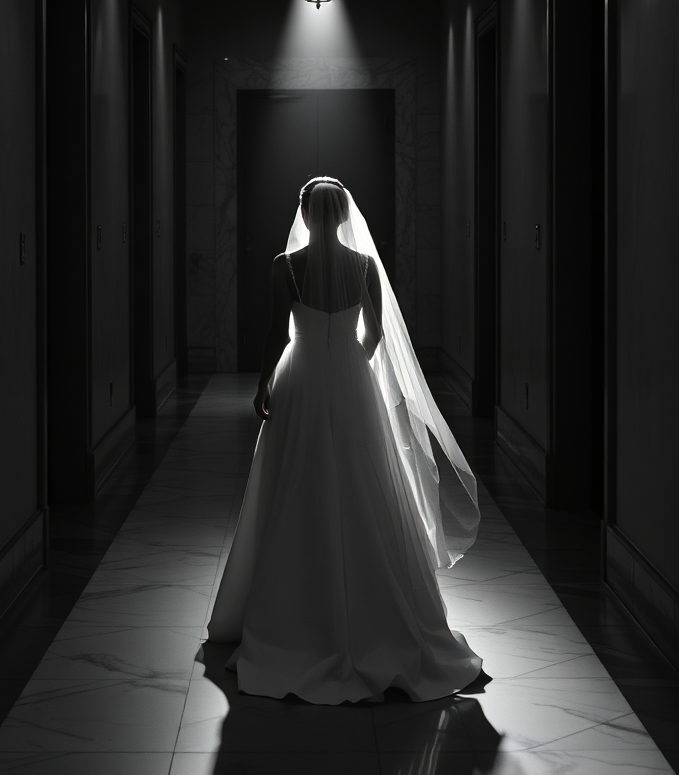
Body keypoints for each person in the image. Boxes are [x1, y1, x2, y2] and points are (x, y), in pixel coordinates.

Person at [207, 176, 483, 704]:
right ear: (341, 216)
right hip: (351, 377)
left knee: (295, 485)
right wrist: (352, 364)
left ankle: (293, 610)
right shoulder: (364, 267)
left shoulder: (285, 266)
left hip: (302, 375)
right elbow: (376, 333)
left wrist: (264, 383)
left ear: (307, 215)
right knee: (366, 486)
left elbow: (274, 332)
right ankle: (381, 613)